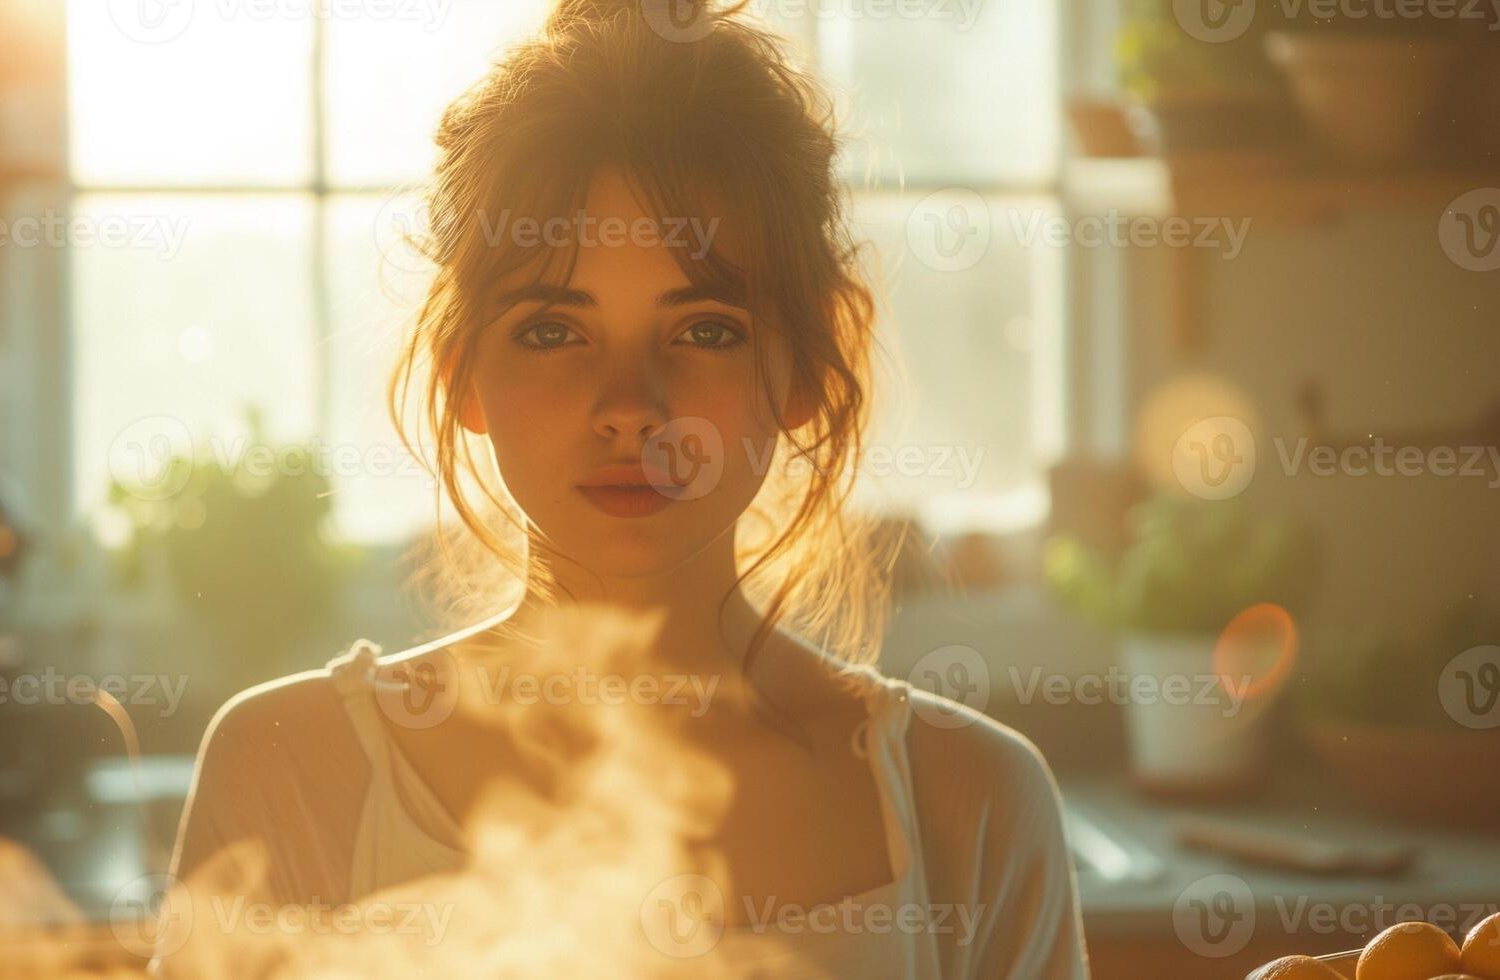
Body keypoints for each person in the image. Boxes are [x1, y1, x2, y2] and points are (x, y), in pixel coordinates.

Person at [152, 1, 1087, 976]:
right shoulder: (294, 768)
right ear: (463, 371)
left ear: (808, 367)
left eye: (706, 328)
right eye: (555, 329)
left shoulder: (970, 799)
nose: (631, 407)